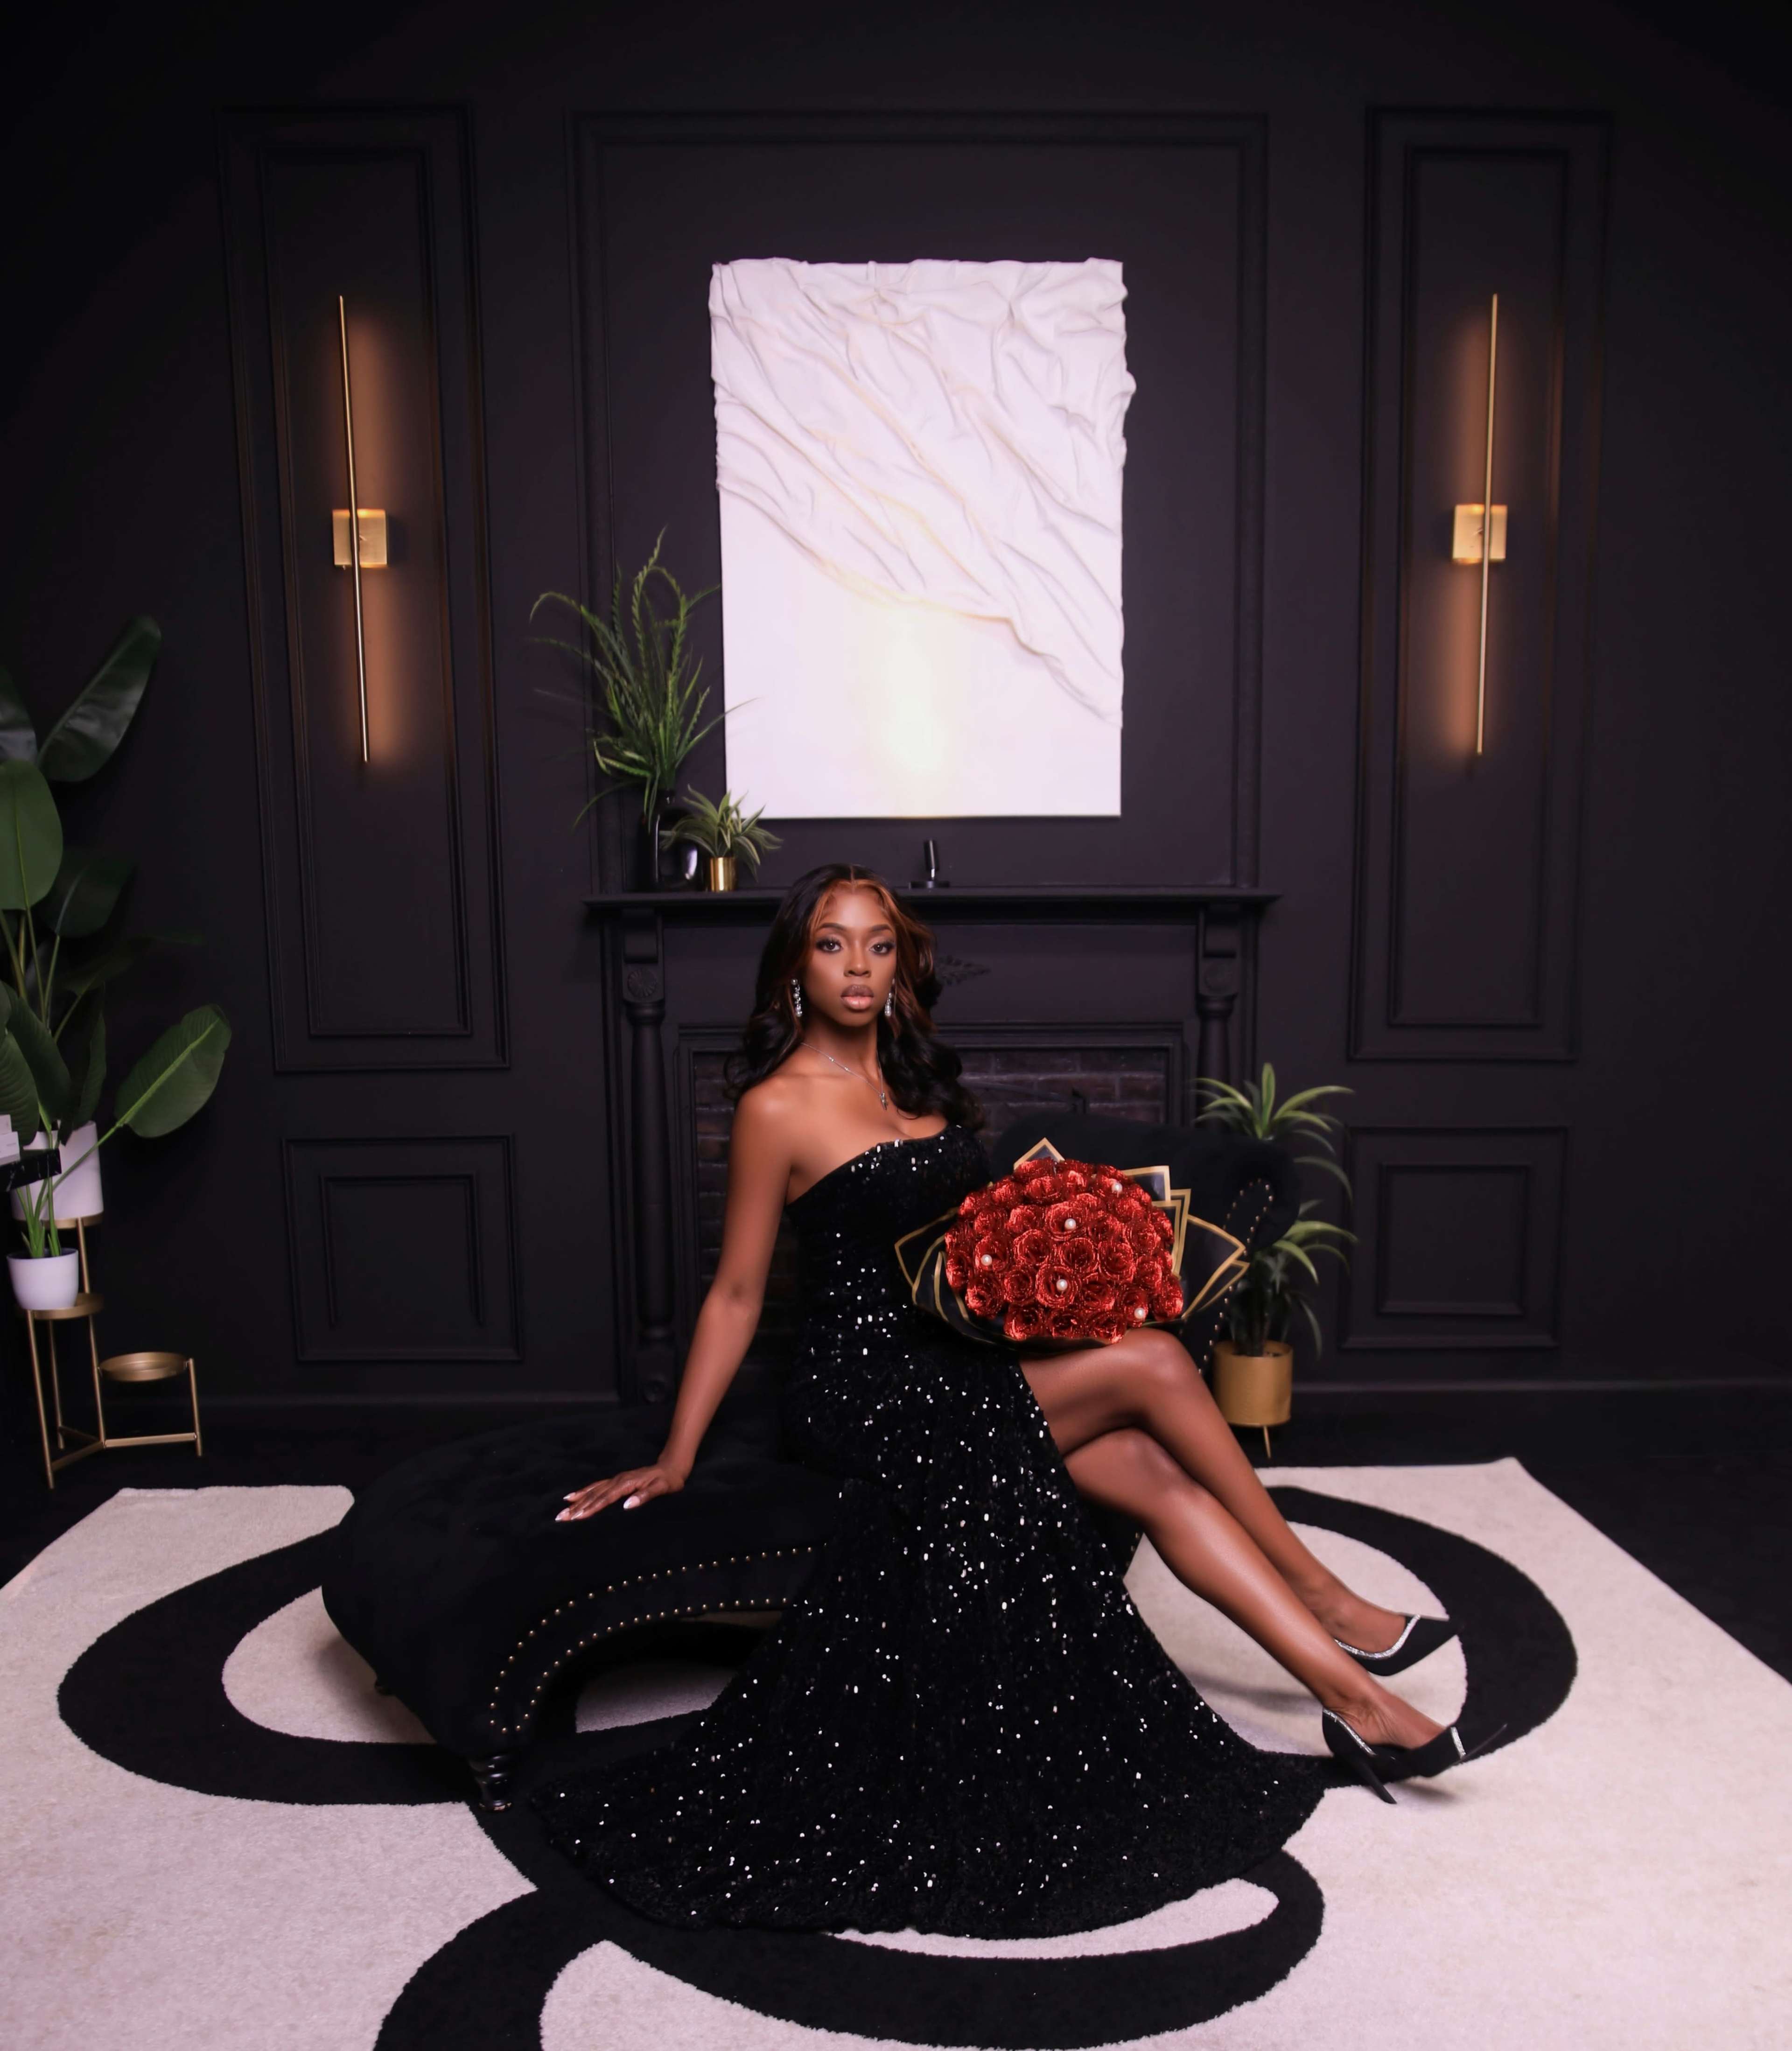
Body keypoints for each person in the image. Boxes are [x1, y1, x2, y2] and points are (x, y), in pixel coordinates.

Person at [536, 864, 1481, 1935]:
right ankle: (1319, 1593)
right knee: (1159, 1365)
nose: (858, 966)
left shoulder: (918, 1085)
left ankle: (1356, 1703)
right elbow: (738, 1291)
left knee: (1159, 1474)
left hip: (954, 1360)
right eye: (833, 944)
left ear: (902, 963)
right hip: (862, 1393)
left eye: (879, 945)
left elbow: (960, 1249)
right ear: (796, 965)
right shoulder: (774, 1105)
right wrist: (676, 1454)